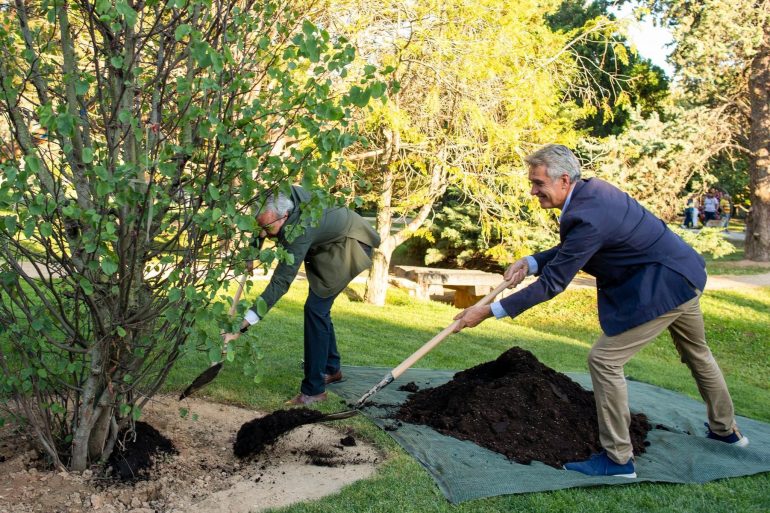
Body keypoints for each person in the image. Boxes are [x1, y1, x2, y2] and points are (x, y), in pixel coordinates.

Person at [452, 144, 748, 478]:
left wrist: (488, 311)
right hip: (684, 274)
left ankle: (619, 460)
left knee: (604, 360)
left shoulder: (588, 215)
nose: (533, 191)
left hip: (662, 288)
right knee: (697, 353)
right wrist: (532, 261)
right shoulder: (593, 193)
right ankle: (726, 431)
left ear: (564, 180)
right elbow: (575, 247)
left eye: (538, 183)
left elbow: (553, 284)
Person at [223, 185, 380, 405]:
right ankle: (331, 368)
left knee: (316, 309)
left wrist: (244, 323)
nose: (266, 233)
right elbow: (260, 222)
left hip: (350, 245)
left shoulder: (300, 228)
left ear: (285, 216)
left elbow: (281, 281)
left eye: (270, 229)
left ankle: (314, 391)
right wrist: (252, 251)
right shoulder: (275, 194)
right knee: (319, 310)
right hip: (329, 240)